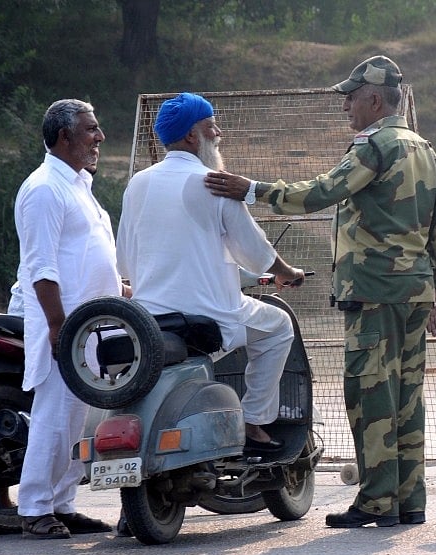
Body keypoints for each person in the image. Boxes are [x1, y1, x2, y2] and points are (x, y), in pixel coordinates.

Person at [204, 55, 436, 528]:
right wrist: (434, 285)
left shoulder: (375, 146)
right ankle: (409, 499)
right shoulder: (424, 147)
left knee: (370, 392)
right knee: (407, 394)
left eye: (351, 98)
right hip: (414, 291)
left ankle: (377, 502)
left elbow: (325, 192)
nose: (346, 108)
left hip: (376, 291)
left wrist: (253, 189)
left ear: (374, 99)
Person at [116, 92, 305, 457]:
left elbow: (124, 263)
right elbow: (255, 253)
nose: (218, 134)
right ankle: (253, 422)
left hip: (148, 318)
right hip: (209, 317)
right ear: (192, 137)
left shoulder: (138, 183)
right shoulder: (215, 182)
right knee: (279, 327)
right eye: (210, 127)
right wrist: (286, 272)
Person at [14, 99, 122, 539]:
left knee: (80, 417)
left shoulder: (77, 183)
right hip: (67, 323)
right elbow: (42, 266)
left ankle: (63, 503)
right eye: (91, 130)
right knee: (56, 415)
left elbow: (85, 254)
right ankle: (35, 507)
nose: (99, 138)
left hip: (94, 322)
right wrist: (59, 326)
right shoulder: (43, 189)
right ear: (64, 137)